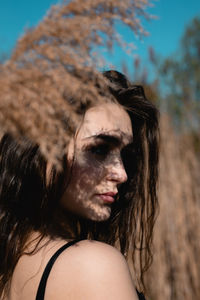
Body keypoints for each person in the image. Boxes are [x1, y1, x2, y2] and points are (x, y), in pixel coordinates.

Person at [0, 70, 159, 300]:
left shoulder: (14, 265)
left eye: (125, 154)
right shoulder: (94, 266)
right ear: (42, 151)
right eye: (99, 149)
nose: (122, 174)